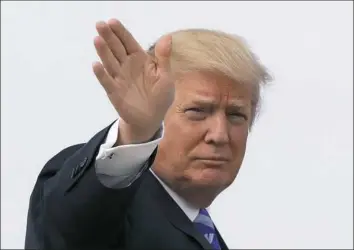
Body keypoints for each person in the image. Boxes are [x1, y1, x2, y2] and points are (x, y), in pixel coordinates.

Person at [24, 19, 271, 249]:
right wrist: (135, 133)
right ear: (155, 112)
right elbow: (67, 229)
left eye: (236, 115)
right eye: (197, 111)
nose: (219, 135)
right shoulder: (111, 199)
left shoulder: (202, 229)